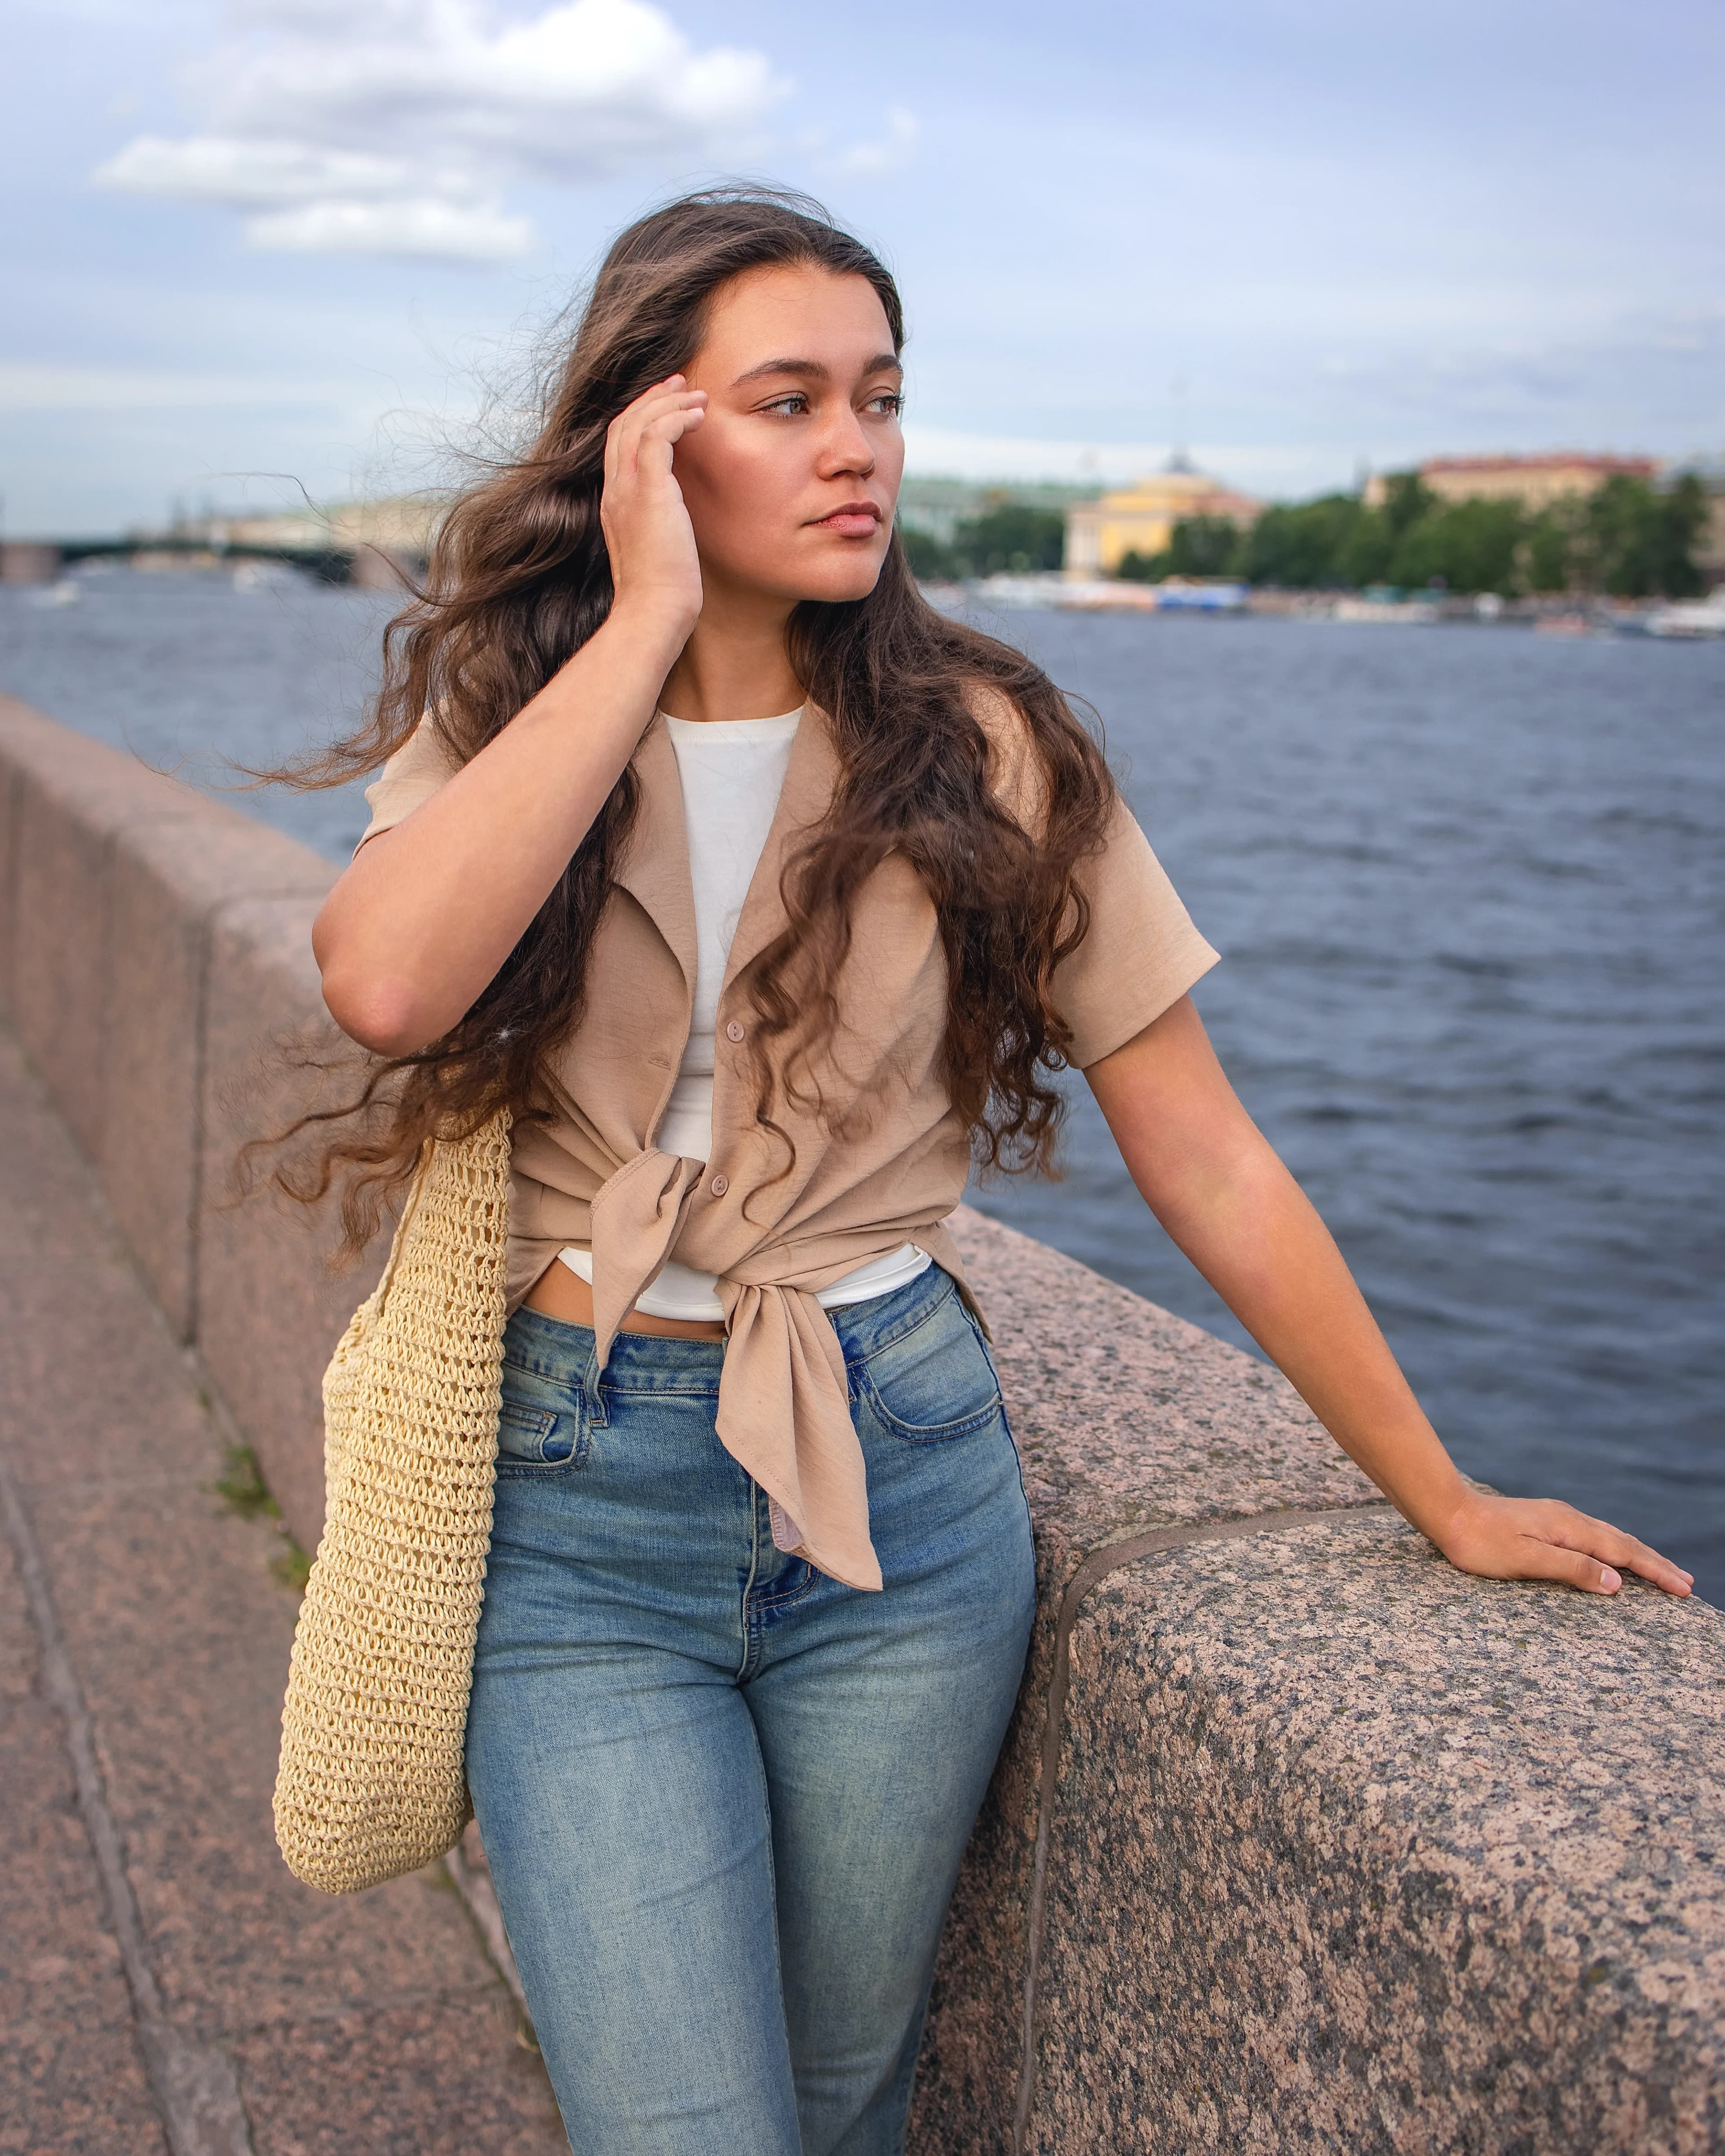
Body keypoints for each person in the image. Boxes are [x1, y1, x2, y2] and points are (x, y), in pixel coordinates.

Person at [300, 189, 1691, 2153]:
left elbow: (1201, 1148)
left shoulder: (989, 746)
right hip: (577, 1504)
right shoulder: (520, 712)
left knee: (854, 2090)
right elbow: (383, 979)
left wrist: (1438, 1491)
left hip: (905, 1489)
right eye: (786, 401)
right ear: (647, 437)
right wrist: (645, 627)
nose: (856, 445)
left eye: (880, 396)